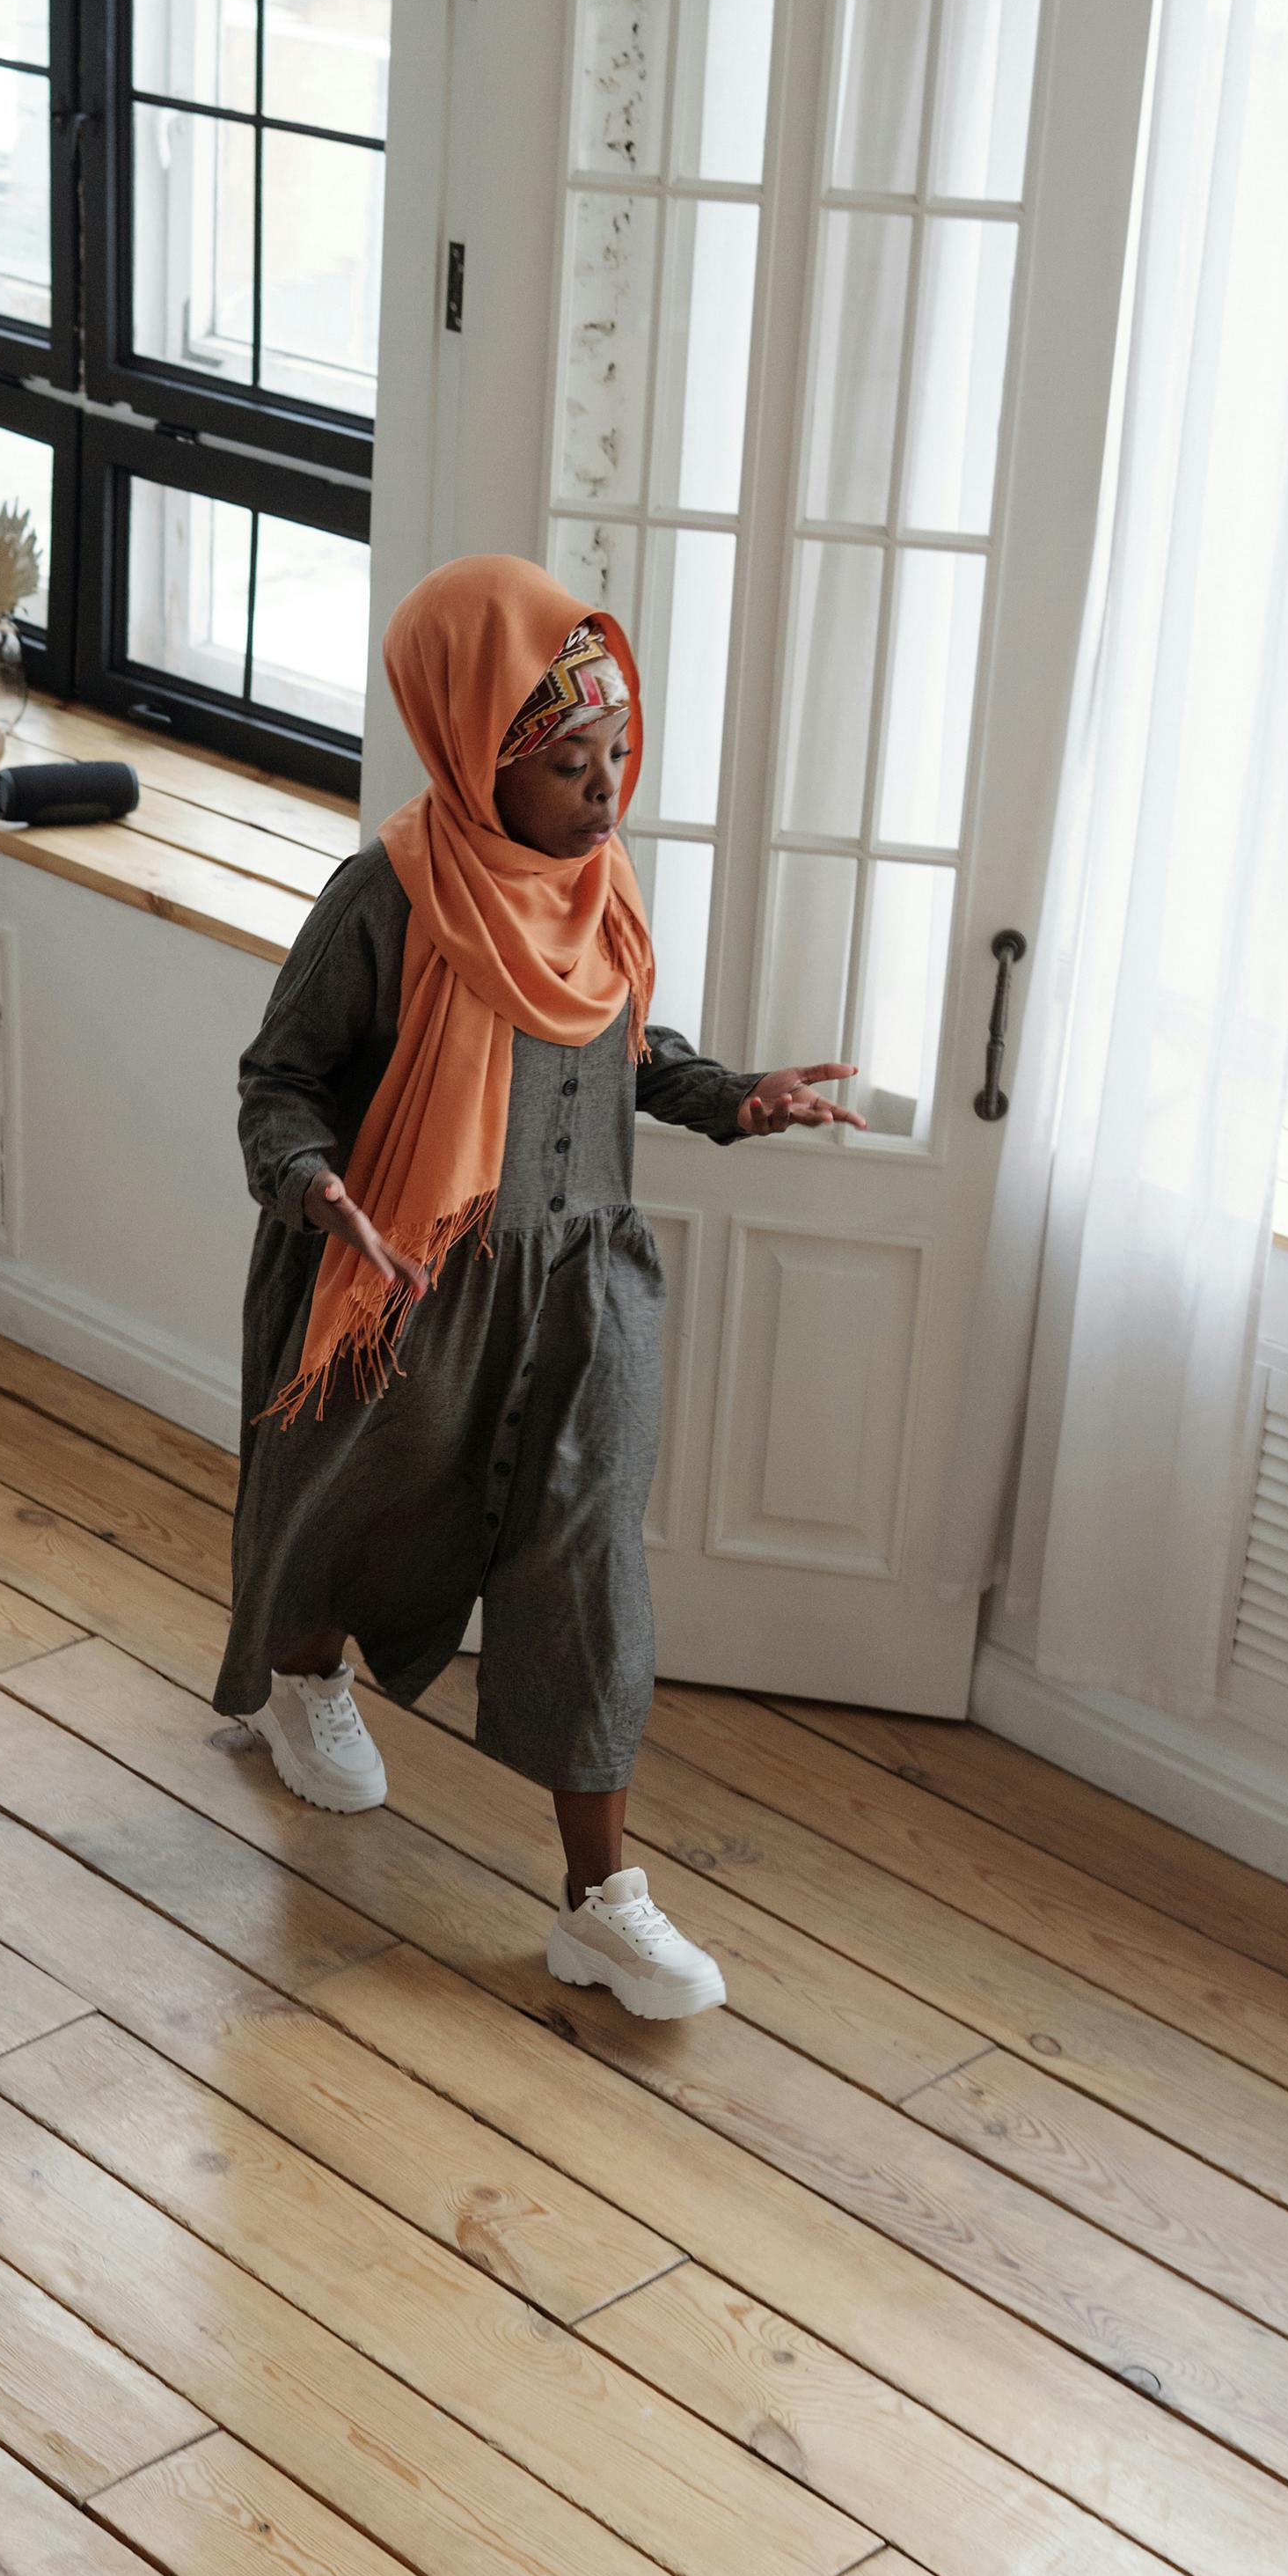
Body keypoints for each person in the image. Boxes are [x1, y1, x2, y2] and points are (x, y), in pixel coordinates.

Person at [215, 552, 860, 2021]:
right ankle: (308, 1673)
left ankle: (599, 1902)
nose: (605, 788)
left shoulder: (597, 889)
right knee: (348, 1508)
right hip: (405, 1278)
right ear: (472, 747)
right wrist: (316, 1188)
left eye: (618, 752)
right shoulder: (385, 898)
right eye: (570, 763)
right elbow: (279, 1082)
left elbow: (629, 1048)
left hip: (582, 1289)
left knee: (588, 1577)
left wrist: (736, 1095)